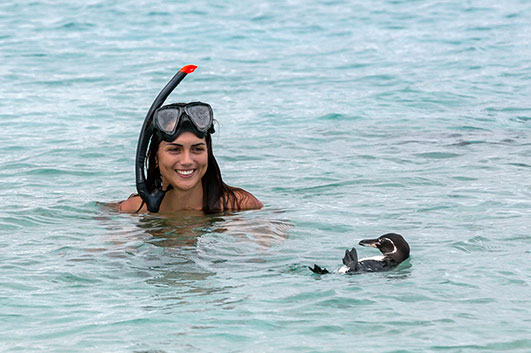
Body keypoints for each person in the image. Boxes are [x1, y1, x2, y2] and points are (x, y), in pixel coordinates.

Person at [118, 102, 263, 213]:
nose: (187, 161)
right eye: (175, 149)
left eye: (197, 149)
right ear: (155, 158)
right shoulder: (132, 211)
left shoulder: (241, 206)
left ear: (208, 153)